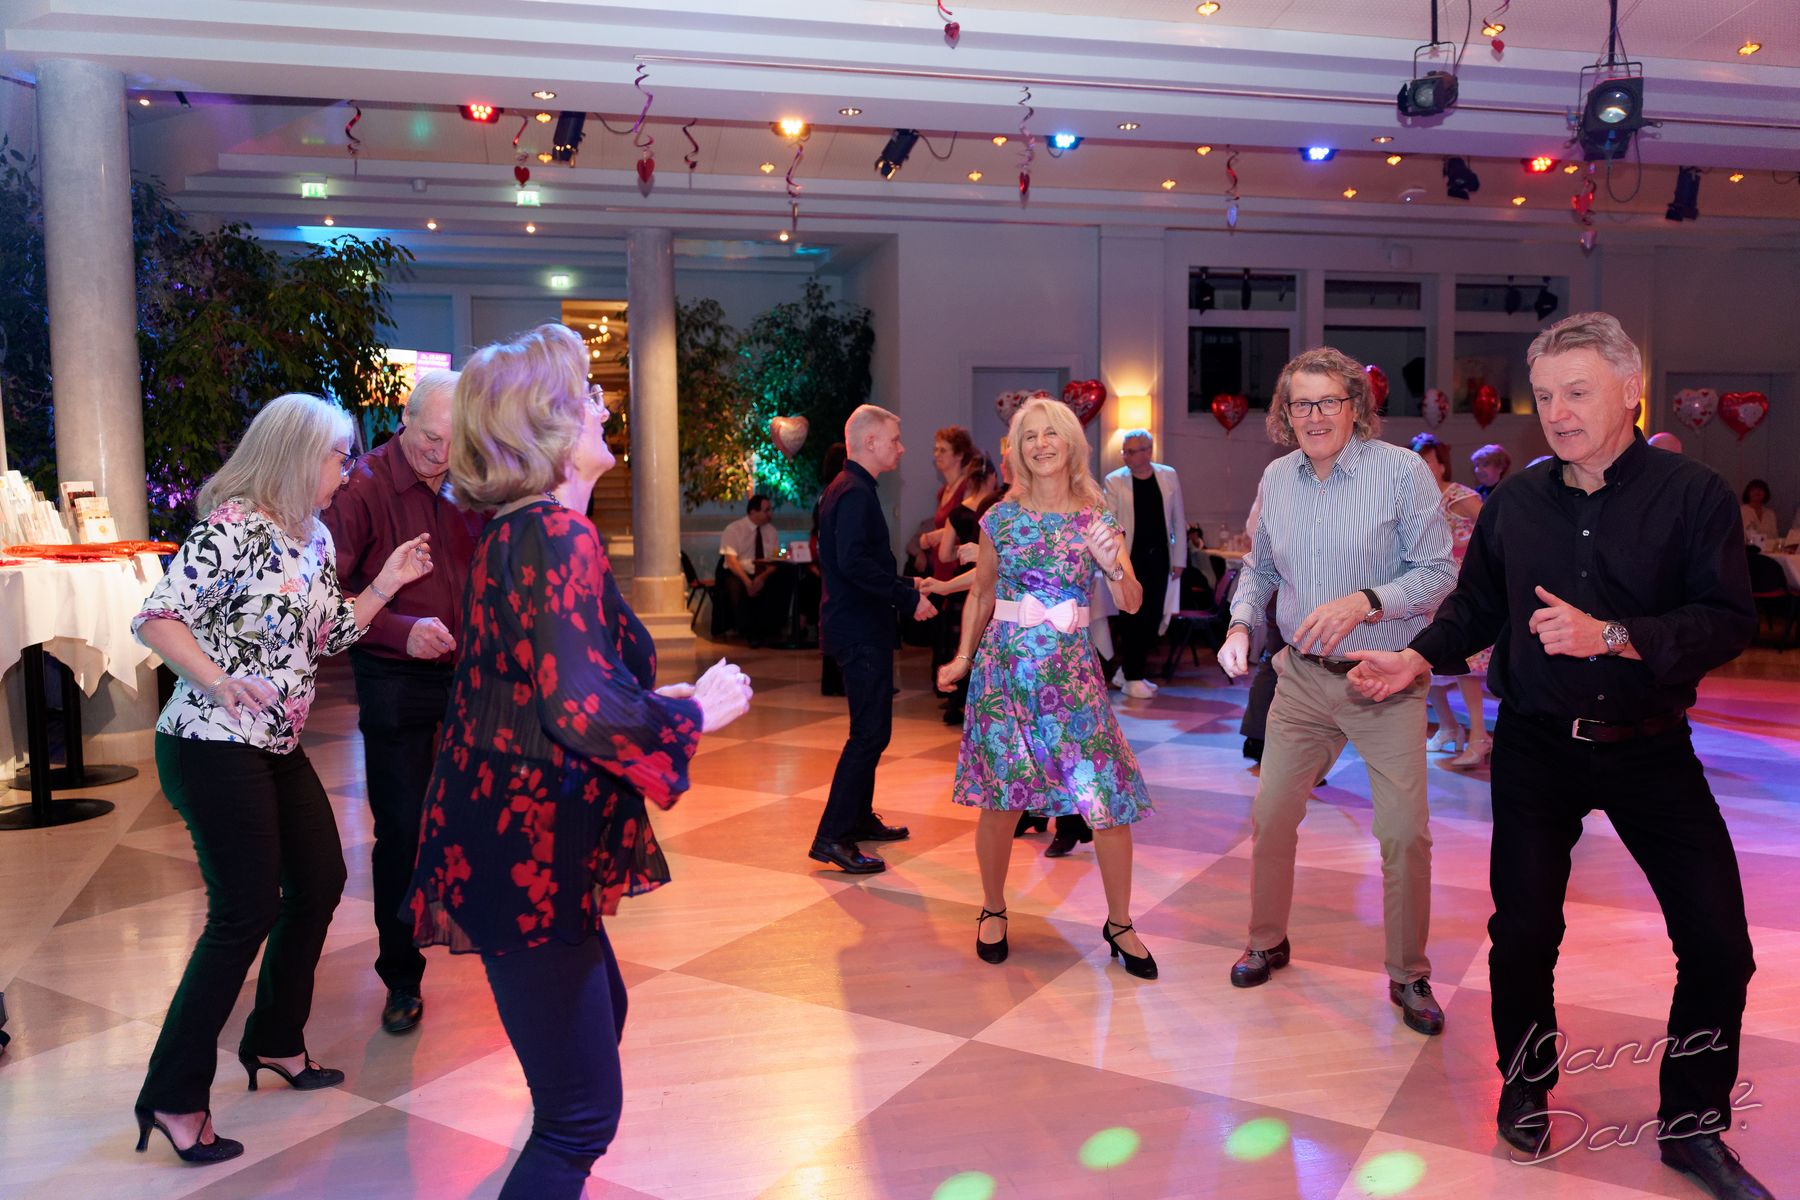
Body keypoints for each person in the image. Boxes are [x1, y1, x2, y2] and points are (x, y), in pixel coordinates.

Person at [1345, 313, 1768, 1198]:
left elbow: (1728, 619)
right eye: (1544, 396)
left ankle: (1693, 1128)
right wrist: (1416, 657)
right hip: (1538, 748)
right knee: (1525, 932)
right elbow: (1476, 609)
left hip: (1651, 748)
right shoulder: (1518, 502)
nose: (1558, 412)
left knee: (1719, 942)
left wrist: (1611, 635)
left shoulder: (1694, 495)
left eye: (1577, 392)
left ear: (1630, 391)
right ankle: (1527, 1085)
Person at [404, 324, 752, 1200]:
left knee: (604, 1027)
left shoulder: (528, 531)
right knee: (580, 1119)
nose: (604, 408)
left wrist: (660, 703)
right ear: (547, 426)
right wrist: (694, 714)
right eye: (588, 395)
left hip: (520, 838)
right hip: (523, 849)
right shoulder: (554, 536)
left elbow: (554, 685)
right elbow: (579, 707)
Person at [131, 393, 435, 1165]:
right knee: (244, 912)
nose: (348, 470)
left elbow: (330, 634)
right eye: (339, 456)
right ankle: (173, 1095)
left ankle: (273, 1039)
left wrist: (387, 582)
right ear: (299, 454)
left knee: (320, 880)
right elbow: (157, 618)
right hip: (209, 741)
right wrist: (218, 680)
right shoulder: (232, 528)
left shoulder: (314, 536)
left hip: (273, 741)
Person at [1217, 346, 1456, 1036]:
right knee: (1271, 816)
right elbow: (1261, 569)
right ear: (1285, 413)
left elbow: (1438, 572)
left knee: (1403, 833)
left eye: (1329, 402)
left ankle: (1409, 972)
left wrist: (1366, 601)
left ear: (1356, 407)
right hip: (1300, 680)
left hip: (1382, 679)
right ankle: (1266, 939)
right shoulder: (1278, 478)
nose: (1315, 416)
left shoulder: (1400, 472)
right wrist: (1240, 624)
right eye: (1302, 403)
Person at [937, 396, 1159, 978]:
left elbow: (1132, 601)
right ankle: (992, 907)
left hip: (1073, 676)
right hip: (1005, 672)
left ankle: (1120, 922)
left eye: (1050, 433)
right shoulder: (1000, 518)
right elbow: (983, 592)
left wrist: (1114, 565)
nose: (1040, 444)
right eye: (1029, 436)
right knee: (1001, 800)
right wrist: (962, 658)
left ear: (1071, 444)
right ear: (1017, 450)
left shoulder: (1096, 517)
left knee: (1107, 800)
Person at [321, 369, 486, 1036]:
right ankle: (401, 975)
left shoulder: (467, 480)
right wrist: (401, 631)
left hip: (470, 677)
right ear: (404, 419)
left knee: (476, 817)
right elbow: (322, 600)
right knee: (403, 831)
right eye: (429, 438)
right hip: (395, 679)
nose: (439, 455)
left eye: (453, 442)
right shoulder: (361, 488)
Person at [811, 404, 938, 874]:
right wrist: (907, 600)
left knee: (871, 732)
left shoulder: (851, 488)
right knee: (869, 734)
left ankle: (859, 818)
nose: (901, 448)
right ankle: (833, 837)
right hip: (860, 629)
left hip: (859, 625)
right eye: (895, 439)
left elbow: (859, 562)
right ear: (870, 442)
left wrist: (907, 584)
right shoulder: (854, 492)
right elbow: (853, 564)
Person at [1410, 433, 1493, 771]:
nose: (1422, 466)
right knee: (1427, 659)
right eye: (1417, 461)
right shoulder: (1418, 500)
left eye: (1427, 460)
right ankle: (1448, 727)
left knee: (1465, 666)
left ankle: (1479, 737)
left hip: (1463, 591)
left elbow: (1492, 528)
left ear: (1441, 464)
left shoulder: (1458, 495)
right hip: (1432, 589)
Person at [1101, 429, 1188, 699]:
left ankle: (1128, 671)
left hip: (1160, 557)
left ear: (1148, 452)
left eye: (1131, 451)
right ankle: (1133, 676)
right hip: (1130, 558)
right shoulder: (1115, 480)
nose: (1125, 456)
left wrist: (1180, 559)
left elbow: (1178, 519)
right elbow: (1109, 522)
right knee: (1132, 618)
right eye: (1124, 452)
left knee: (1153, 616)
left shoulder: (1168, 475)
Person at [714, 495, 791, 645]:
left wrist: (763, 577)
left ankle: (774, 626)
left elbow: (777, 556)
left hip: (763, 572)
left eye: (770, 510)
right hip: (740, 572)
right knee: (734, 583)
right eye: (766, 510)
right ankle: (746, 629)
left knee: (786, 574)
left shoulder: (771, 531)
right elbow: (731, 561)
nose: (770, 514)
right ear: (753, 512)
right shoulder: (734, 529)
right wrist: (748, 582)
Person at [1741, 479, 1778, 543]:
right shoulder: (1741, 511)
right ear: (1748, 493)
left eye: (1760, 490)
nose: (1757, 493)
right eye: (1753, 490)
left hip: (1769, 547)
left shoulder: (1770, 513)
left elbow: (1774, 536)